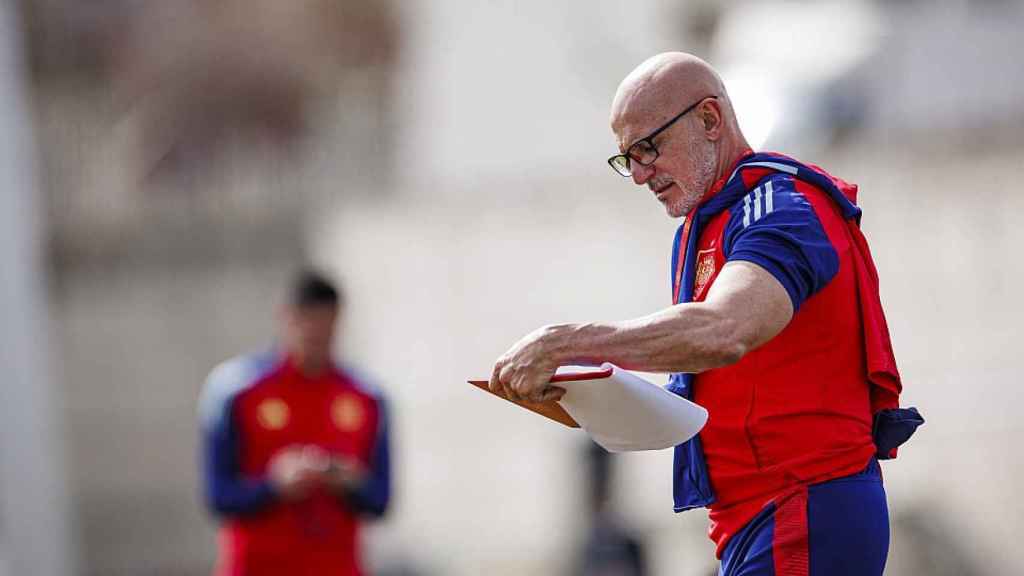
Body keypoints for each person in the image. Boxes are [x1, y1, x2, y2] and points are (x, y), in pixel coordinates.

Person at [489, 53, 922, 575]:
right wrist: (581, 396)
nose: (639, 173)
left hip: (802, 502)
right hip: (755, 517)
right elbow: (704, 397)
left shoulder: (782, 204)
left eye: (649, 147)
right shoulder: (709, 225)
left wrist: (566, 342)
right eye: (628, 157)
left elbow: (726, 328)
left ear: (710, 119)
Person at [199, 270, 391, 576]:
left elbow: (381, 500)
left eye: (326, 323)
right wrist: (273, 486)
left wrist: (348, 482)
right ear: (285, 317)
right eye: (307, 321)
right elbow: (218, 496)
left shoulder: (367, 396)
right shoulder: (235, 390)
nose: (315, 333)